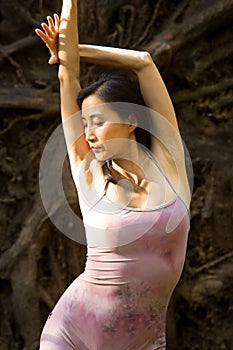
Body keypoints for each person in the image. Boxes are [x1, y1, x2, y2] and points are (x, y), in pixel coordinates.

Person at [35, 0, 191, 349]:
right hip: (70, 334)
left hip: (145, 342)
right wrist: (67, 50)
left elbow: (143, 63)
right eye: (84, 124)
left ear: (132, 119)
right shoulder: (91, 178)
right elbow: (68, 76)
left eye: (98, 122)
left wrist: (76, 50)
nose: (88, 133)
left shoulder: (171, 166)